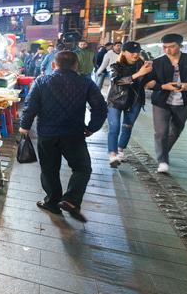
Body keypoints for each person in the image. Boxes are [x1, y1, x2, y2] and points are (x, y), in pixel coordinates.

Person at [18, 50, 108, 222]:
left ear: (54, 64)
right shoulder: (86, 83)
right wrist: (92, 128)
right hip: (73, 134)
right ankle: (71, 199)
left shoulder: (42, 81)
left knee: (49, 169)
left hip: (47, 134)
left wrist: (25, 127)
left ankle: (52, 202)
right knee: (82, 168)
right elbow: (101, 108)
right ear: (76, 65)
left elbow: (30, 106)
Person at [149, 34, 187, 173]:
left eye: (172, 47)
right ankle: (162, 160)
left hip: (184, 101)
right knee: (161, 132)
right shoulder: (157, 62)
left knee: (176, 130)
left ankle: (163, 152)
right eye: (164, 47)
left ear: (180, 46)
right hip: (161, 101)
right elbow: (149, 82)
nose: (167, 50)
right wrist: (163, 86)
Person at [106, 41, 153, 167]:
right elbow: (117, 81)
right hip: (116, 100)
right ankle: (112, 155)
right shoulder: (116, 66)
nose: (135, 54)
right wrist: (139, 74)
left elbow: (150, 82)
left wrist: (151, 81)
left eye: (137, 52)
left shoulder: (144, 66)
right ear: (124, 52)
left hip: (135, 101)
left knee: (127, 127)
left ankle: (120, 150)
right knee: (114, 127)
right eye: (132, 52)